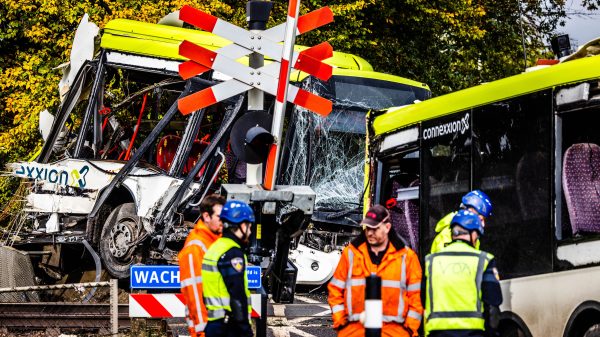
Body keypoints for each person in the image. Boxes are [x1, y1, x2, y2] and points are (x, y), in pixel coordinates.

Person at [328, 204, 423, 337]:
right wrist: (341, 322)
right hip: (355, 331)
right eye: (368, 228)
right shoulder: (350, 253)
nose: (370, 233)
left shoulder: (407, 258)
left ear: (387, 227)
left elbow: (416, 298)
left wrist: (409, 329)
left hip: (393, 331)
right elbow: (335, 290)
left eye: (375, 228)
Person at [424, 210, 502, 337]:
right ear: (473, 233)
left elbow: (422, 300)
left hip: (437, 333)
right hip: (473, 333)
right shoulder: (484, 260)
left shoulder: (430, 261)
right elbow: (493, 303)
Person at [202, 200, 254, 337]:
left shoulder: (215, 248)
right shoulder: (233, 253)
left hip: (214, 324)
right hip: (229, 326)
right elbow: (237, 294)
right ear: (241, 225)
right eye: (249, 226)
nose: (250, 231)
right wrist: (245, 329)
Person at [178, 194, 226, 337]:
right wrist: (202, 331)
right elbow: (194, 294)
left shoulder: (215, 242)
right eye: (220, 217)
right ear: (206, 216)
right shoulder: (195, 247)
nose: (224, 221)